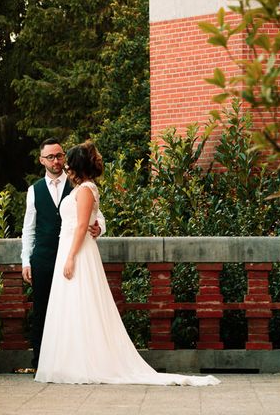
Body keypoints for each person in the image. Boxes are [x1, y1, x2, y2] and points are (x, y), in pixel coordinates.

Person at [35, 141, 220, 386]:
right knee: (71, 306)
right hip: (69, 249)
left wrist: (70, 256)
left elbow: (82, 225)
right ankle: (70, 361)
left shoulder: (85, 190)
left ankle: (83, 363)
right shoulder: (81, 189)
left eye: (67, 162)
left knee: (82, 303)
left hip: (77, 252)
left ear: (75, 166)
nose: (65, 166)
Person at [21, 138, 105, 370]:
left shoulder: (79, 182)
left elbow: (96, 217)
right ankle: (41, 363)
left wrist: (99, 228)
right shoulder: (34, 190)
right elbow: (28, 228)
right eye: (51, 157)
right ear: (42, 160)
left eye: (60, 156)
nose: (57, 161)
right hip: (45, 257)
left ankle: (73, 362)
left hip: (74, 256)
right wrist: (26, 260)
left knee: (72, 309)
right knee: (43, 310)